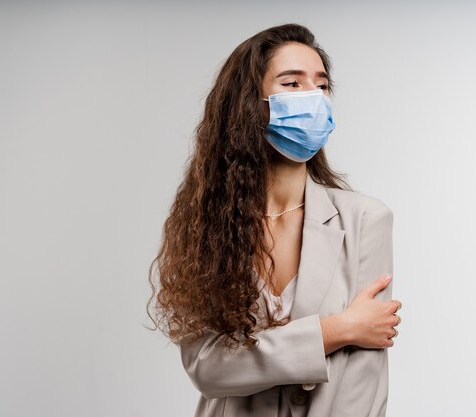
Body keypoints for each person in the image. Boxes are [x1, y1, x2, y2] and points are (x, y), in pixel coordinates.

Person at [147, 23, 403, 417]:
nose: (313, 98)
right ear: (251, 102)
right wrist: (336, 330)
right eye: (293, 84)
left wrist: (265, 353)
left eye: (322, 85)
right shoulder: (210, 227)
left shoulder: (365, 220)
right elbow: (209, 368)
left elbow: (362, 379)